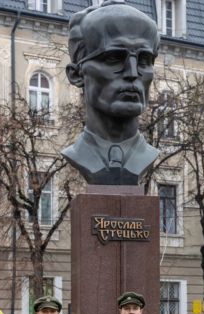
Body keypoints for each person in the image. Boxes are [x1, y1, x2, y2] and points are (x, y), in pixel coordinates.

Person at [63, 0, 160, 185]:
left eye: (144, 60)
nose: (132, 73)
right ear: (76, 74)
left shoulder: (149, 156)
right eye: (114, 58)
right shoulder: (77, 155)